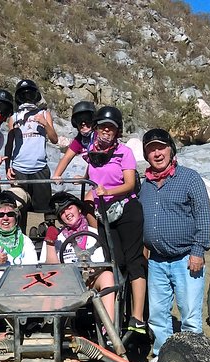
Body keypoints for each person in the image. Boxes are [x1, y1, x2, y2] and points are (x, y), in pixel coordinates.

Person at [52, 106, 147, 336]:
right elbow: (94, 174)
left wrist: (107, 192)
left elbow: (130, 183)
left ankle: (137, 317)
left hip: (126, 209)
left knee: (133, 260)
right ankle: (111, 316)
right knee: (114, 261)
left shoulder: (124, 152)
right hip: (104, 211)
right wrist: (82, 180)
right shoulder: (93, 152)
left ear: (117, 131)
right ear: (97, 129)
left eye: (111, 128)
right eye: (103, 127)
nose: (106, 132)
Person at [138, 128, 210, 362]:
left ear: (171, 149)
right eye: (151, 149)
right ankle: (162, 357)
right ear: (146, 155)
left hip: (186, 258)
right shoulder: (145, 184)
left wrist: (198, 251)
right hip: (157, 261)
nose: (157, 153)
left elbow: (203, 215)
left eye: (161, 147)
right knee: (158, 317)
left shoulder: (190, 178)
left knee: (190, 316)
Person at [39, 192, 115, 321]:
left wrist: (92, 271)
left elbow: (102, 263)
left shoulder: (94, 234)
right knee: (51, 282)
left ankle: (108, 328)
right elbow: (49, 270)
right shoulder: (57, 238)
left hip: (90, 279)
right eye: (62, 212)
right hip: (65, 283)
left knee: (108, 276)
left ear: (79, 209)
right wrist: (50, 243)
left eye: (69, 208)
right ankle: (56, 328)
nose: (67, 213)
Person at [5, 79, 59, 233]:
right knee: (19, 207)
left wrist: (44, 123)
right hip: (19, 168)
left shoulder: (44, 114)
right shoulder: (14, 117)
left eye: (30, 94)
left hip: (39, 167)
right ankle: (20, 236)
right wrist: (7, 167)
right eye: (24, 95)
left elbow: (54, 139)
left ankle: (48, 236)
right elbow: (9, 145)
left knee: (46, 207)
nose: (27, 98)